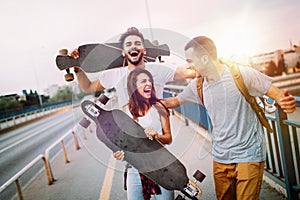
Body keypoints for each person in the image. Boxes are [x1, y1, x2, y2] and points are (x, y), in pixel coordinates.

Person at [162, 36, 296, 200]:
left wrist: (286, 103)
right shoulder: (197, 85)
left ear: (204, 58)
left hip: (249, 153)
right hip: (221, 157)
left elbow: (278, 95)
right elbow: (174, 101)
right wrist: (145, 100)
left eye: (190, 60)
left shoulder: (242, 75)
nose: (188, 65)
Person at [69, 27, 196, 108]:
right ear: (123, 52)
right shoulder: (116, 73)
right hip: (129, 136)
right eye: (128, 44)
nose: (133, 47)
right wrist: (76, 66)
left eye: (137, 44)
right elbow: (87, 87)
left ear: (145, 50)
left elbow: (192, 73)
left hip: (156, 135)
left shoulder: (158, 69)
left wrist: (195, 60)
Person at [114, 68, 174, 200]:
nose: (148, 84)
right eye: (143, 81)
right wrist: (119, 153)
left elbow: (168, 138)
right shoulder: (124, 111)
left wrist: (157, 136)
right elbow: (123, 144)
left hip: (161, 166)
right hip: (134, 168)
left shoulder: (159, 108)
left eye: (149, 81)